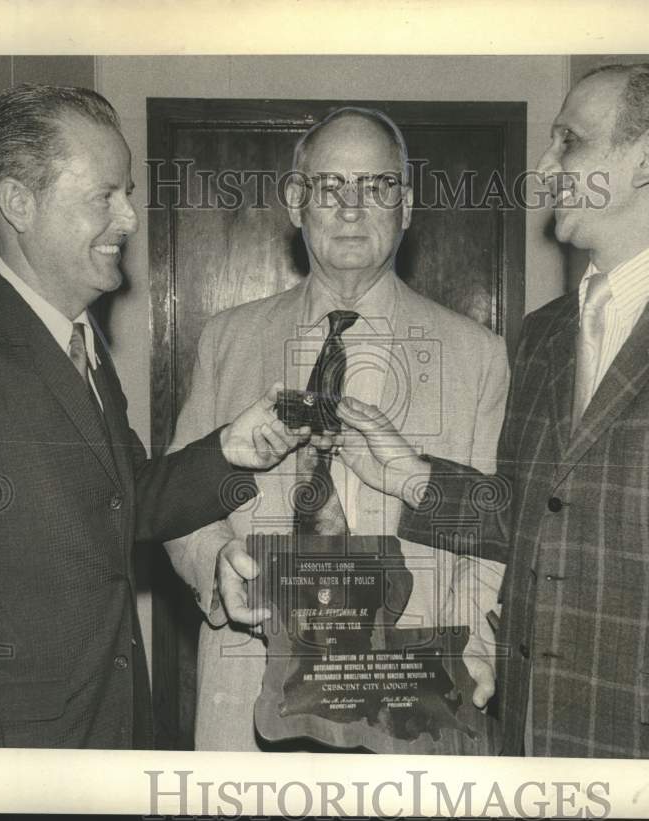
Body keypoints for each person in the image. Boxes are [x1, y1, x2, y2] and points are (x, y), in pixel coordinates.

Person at [330, 64, 649, 760]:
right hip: (530, 745)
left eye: (570, 142)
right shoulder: (545, 332)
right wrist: (413, 478)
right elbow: (536, 518)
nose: (546, 167)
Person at [0, 84, 309, 749]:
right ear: (19, 203)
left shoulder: (76, 339)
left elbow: (125, 497)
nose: (129, 219)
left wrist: (231, 449)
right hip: (23, 760)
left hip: (111, 731)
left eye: (126, 193)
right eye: (105, 196)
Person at [164, 107, 510, 751]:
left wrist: (477, 649)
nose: (352, 209)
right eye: (330, 187)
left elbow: (489, 532)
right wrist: (216, 564)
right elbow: (179, 499)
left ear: (405, 206)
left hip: (413, 696)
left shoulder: (478, 355)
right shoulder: (228, 340)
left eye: (377, 187)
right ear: (297, 202)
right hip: (250, 690)